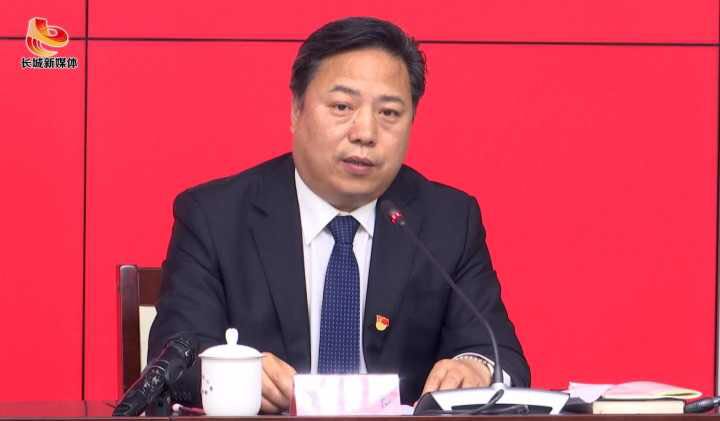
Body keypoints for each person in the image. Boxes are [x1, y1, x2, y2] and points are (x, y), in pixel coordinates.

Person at [148, 16, 530, 412]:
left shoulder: (447, 221)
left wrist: (475, 368)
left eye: (389, 113)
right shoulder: (215, 217)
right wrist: (233, 374)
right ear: (296, 110)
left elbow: (501, 357)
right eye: (342, 106)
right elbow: (171, 362)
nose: (365, 132)